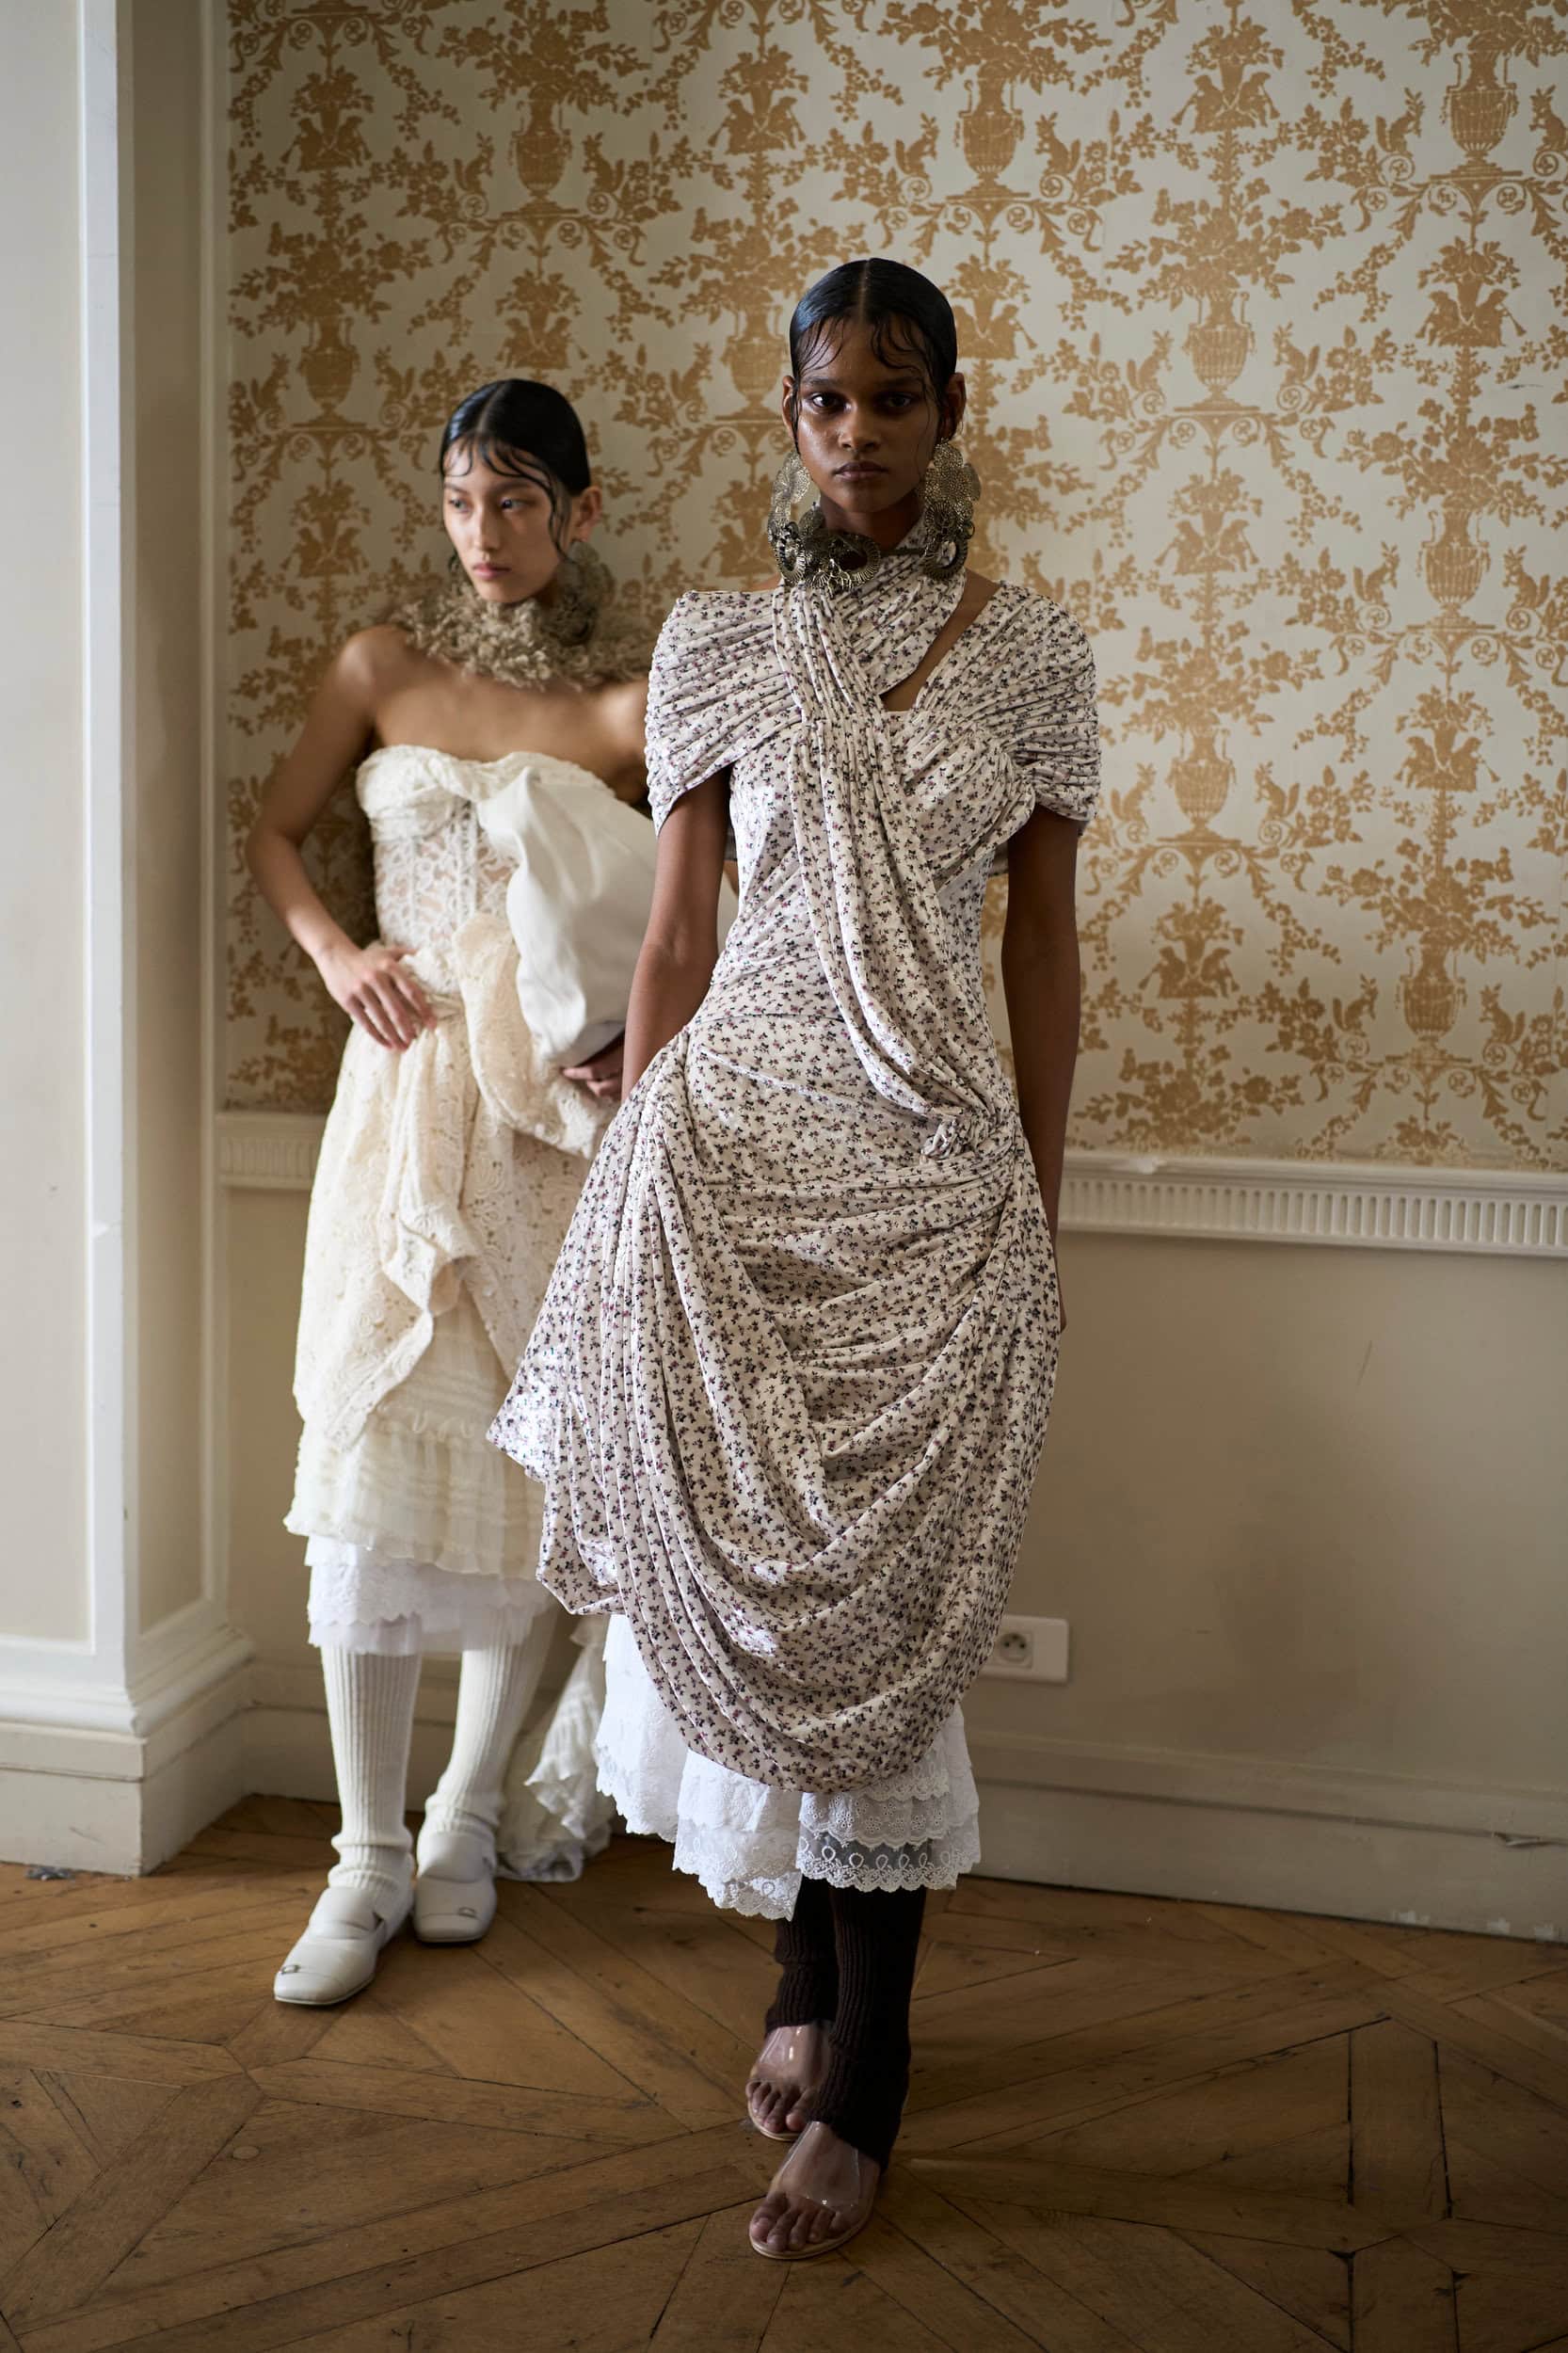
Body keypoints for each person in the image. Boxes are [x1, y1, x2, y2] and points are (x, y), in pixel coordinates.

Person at [490, 260, 1100, 2258]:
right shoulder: (717, 641)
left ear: (948, 415)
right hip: (732, 1154)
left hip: (929, 1176)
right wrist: (633, 1175)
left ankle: (870, 2073)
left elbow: (1041, 947)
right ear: (789, 416)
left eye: (893, 398)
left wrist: (1037, 1197)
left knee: (887, 1607)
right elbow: (678, 930)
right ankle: (802, 1984)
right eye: (826, 399)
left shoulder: (1037, 655)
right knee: (751, 1590)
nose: (858, 433)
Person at [248, 378, 648, 2007]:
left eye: (518, 501)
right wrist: (338, 955)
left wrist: (638, 1038)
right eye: (462, 501)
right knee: (369, 1456)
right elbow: (278, 836)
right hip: (402, 1096)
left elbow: (702, 898)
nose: (484, 532)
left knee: (526, 1469)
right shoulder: (377, 668)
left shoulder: (626, 708)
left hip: (549, 1120)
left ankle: (468, 1816)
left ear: (580, 510)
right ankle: (362, 1857)